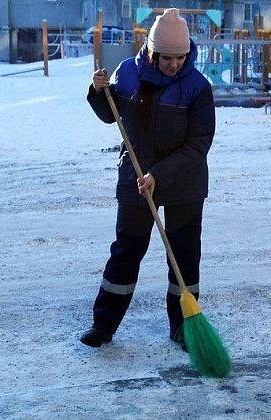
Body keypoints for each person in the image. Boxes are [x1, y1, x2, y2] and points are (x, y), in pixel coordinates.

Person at [80, 8, 215, 350]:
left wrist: (160, 174)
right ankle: (103, 324)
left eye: (181, 57)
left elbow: (198, 144)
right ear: (152, 51)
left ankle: (184, 327)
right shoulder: (128, 74)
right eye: (167, 58)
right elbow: (111, 116)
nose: (174, 64)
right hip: (136, 178)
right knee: (126, 251)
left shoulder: (198, 87)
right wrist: (99, 93)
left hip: (183, 182)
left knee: (183, 256)